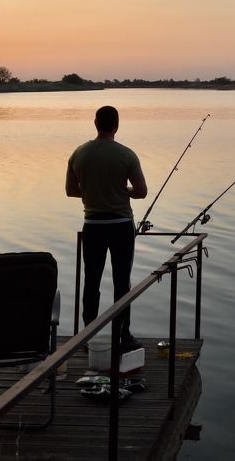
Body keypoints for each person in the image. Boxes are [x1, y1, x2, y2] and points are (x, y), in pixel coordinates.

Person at [66, 105, 147, 352]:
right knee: (122, 282)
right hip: (121, 225)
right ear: (116, 125)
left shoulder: (79, 154)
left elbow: (71, 191)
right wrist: (124, 191)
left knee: (91, 281)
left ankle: (87, 336)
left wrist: (91, 192)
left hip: (92, 226)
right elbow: (141, 192)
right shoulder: (127, 154)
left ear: (95, 123)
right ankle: (122, 335)